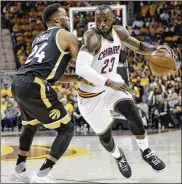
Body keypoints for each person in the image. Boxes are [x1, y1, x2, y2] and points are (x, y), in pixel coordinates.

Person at [75, 5, 176, 178]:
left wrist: (156, 49)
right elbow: (80, 69)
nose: (102, 23)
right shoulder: (91, 37)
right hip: (90, 95)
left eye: (106, 19)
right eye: (98, 19)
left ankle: (146, 152)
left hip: (112, 84)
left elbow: (139, 47)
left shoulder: (119, 32)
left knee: (132, 111)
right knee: (105, 138)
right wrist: (108, 82)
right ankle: (118, 156)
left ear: (114, 18)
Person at [10, 3, 80, 183]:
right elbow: (83, 63)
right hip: (35, 84)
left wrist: (77, 78)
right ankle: (43, 174)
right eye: (65, 15)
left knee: (30, 125)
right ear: (57, 18)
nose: (67, 17)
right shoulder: (66, 35)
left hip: (19, 82)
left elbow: (53, 74)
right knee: (67, 129)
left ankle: (19, 169)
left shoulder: (39, 38)